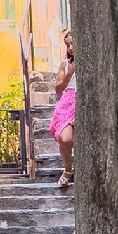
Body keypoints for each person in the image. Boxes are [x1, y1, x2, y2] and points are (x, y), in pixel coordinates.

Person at [50, 30, 76, 188]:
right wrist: (69, 74)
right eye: (67, 45)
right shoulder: (65, 64)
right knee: (65, 138)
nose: (70, 48)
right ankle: (68, 169)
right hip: (68, 101)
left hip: (83, 101)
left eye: (73, 43)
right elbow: (58, 89)